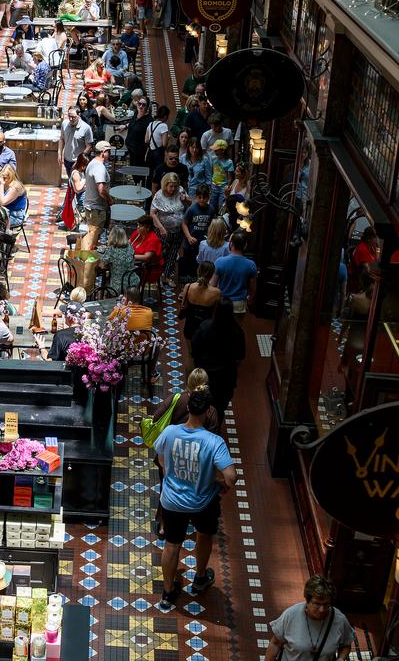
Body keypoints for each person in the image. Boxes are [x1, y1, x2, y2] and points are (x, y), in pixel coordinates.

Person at [154, 388, 236, 612]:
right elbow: (231, 476)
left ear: (188, 408)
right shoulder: (214, 442)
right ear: (208, 411)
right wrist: (220, 482)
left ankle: (168, 591)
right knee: (204, 535)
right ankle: (200, 577)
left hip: (171, 501)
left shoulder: (170, 433)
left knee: (171, 545)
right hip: (203, 502)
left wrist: (173, 474)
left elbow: (161, 459)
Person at [264, 575, 355, 661]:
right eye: (317, 604)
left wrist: (340, 659)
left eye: (326, 604)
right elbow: (275, 644)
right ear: (307, 600)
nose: (322, 610)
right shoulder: (290, 615)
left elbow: (345, 644)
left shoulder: (339, 620)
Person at [191, 300, 246, 423]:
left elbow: (195, 347)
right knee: (220, 407)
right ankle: (216, 428)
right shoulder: (237, 331)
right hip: (226, 378)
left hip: (205, 374)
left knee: (201, 401)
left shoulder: (205, 327)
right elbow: (241, 355)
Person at [150, 172, 187, 287]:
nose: (173, 189)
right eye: (171, 186)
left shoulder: (180, 190)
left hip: (177, 230)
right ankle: (157, 277)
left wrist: (185, 199)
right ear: (165, 184)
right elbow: (152, 213)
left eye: (175, 186)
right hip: (163, 231)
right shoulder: (159, 195)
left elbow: (189, 203)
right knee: (161, 254)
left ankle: (166, 276)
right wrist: (161, 228)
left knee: (172, 254)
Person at [212, 231, 257, 314]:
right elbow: (253, 288)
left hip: (222, 302)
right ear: (245, 246)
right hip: (240, 304)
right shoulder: (251, 265)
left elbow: (212, 284)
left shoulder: (219, 262)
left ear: (231, 244)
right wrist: (249, 299)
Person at [80, 141, 112, 250]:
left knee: (92, 237)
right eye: (109, 152)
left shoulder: (92, 163)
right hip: (96, 209)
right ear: (103, 152)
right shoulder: (99, 168)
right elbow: (101, 190)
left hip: (91, 207)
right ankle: (88, 263)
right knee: (93, 239)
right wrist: (109, 199)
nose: (110, 154)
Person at [179, 262, 222, 341]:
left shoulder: (188, 286)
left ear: (198, 271)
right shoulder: (217, 292)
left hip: (190, 325)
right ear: (212, 274)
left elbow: (184, 307)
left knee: (190, 350)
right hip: (206, 328)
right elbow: (215, 313)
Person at [181, 185, 214, 280]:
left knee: (199, 264)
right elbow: (184, 223)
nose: (202, 200)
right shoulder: (192, 209)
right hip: (190, 242)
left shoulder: (211, 209)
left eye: (204, 197)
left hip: (203, 243)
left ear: (208, 198)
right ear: (196, 197)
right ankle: (187, 283)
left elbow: (212, 225)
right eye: (199, 197)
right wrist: (188, 237)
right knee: (188, 263)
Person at [59, 107, 95, 178]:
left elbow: (89, 146)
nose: (71, 119)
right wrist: (59, 153)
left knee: (78, 184)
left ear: (79, 115)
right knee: (71, 180)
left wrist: (79, 160)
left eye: (73, 117)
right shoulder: (64, 124)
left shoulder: (86, 128)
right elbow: (62, 139)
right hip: (67, 159)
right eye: (69, 116)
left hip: (79, 162)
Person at [130, 215, 164, 285]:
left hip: (148, 268)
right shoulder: (138, 233)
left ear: (148, 227)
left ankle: (131, 291)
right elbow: (129, 242)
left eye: (140, 226)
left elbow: (147, 257)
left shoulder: (153, 240)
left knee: (122, 272)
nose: (138, 227)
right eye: (138, 225)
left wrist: (131, 256)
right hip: (136, 263)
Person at [182, 138, 212, 202]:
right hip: (185, 191)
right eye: (192, 147)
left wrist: (207, 193)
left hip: (199, 192)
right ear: (188, 147)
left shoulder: (205, 159)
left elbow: (208, 178)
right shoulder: (183, 158)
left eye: (197, 148)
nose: (194, 150)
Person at [208, 139, 236, 206]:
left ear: (223, 150)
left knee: (221, 205)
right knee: (212, 204)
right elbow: (212, 172)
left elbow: (230, 177)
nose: (214, 151)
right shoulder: (213, 159)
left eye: (216, 150)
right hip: (213, 186)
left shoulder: (229, 162)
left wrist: (227, 187)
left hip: (223, 188)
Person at [125, 98, 151, 167]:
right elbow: (132, 123)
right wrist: (125, 126)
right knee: (132, 167)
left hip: (138, 151)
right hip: (130, 147)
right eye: (139, 104)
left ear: (147, 107)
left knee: (138, 171)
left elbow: (148, 139)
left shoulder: (148, 121)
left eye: (144, 105)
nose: (141, 106)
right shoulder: (136, 113)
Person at [145, 105, 171, 173]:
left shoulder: (150, 124)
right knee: (158, 173)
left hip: (150, 153)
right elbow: (164, 144)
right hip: (158, 154)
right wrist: (168, 138)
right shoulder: (164, 126)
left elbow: (146, 140)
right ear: (165, 116)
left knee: (149, 173)